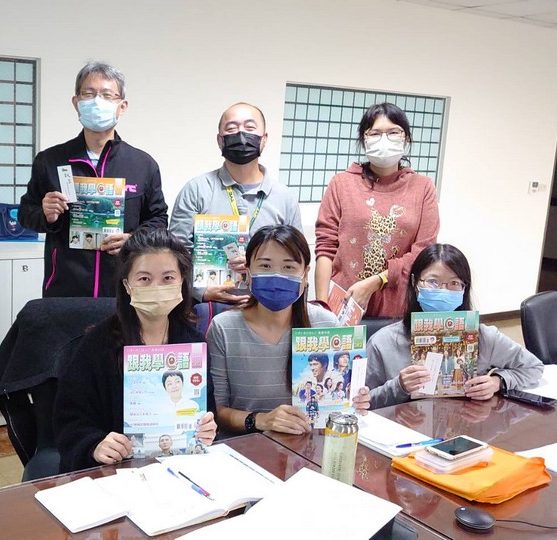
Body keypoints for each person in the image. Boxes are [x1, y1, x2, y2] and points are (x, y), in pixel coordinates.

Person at [53, 228, 217, 472]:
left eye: (168, 278)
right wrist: (95, 445)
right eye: (144, 279)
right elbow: (69, 420)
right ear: (127, 285)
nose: (157, 287)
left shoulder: (193, 345)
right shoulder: (97, 345)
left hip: (176, 469)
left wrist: (207, 428)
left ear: (182, 281)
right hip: (113, 472)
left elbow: (205, 410)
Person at [19, 61, 168, 298]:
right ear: (76, 103)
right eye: (88, 94)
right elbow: (26, 214)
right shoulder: (50, 160)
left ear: (122, 106)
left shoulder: (143, 164)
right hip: (65, 288)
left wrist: (134, 240)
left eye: (107, 95)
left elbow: (158, 219)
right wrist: (45, 214)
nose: (97, 101)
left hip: (125, 290)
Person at [207, 225, 371, 436]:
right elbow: (217, 411)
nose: (277, 276)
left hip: (310, 443)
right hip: (248, 446)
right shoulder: (223, 328)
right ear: (248, 272)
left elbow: (337, 397)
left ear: (305, 274)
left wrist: (355, 399)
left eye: (288, 267)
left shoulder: (326, 323)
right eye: (265, 266)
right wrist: (261, 420)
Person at [365, 244, 544, 409]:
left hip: (465, 425)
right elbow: (361, 402)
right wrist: (398, 387)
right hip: (402, 428)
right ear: (414, 282)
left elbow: (533, 367)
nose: (443, 291)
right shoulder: (383, 342)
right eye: (433, 282)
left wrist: (498, 382)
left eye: (454, 283)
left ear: (464, 289)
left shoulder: (482, 336)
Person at [314, 102, 440, 318]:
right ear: (364, 139)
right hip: (342, 304)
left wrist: (377, 281)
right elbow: (326, 247)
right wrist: (321, 307)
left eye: (393, 132)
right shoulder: (341, 183)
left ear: (406, 139)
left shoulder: (423, 187)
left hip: (397, 306)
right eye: (375, 133)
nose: (384, 139)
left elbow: (423, 252)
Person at [169, 102, 303, 305]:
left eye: (250, 127)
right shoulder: (196, 190)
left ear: (264, 139)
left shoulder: (285, 198)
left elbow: (297, 256)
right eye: (231, 128)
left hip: (268, 307)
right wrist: (200, 291)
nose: (241, 135)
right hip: (207, 307)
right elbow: (176, 252)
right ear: (220, 140)